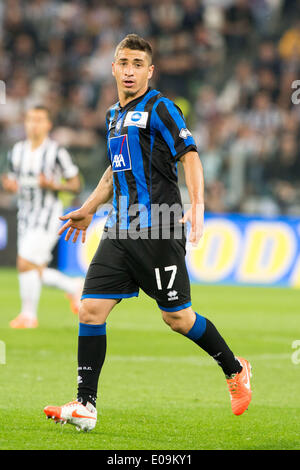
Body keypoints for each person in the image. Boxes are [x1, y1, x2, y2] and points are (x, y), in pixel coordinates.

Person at [44, 35, 252, 432]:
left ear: (149, 71)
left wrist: (198, 205)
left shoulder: (161, 107)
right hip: (119, 229)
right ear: (113, 67)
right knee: (90, 309)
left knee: (176, 318)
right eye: (123, 62)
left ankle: (234, 368)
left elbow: (190, 155)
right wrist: (88, 210)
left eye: (138, 63)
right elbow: (113, 171)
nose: (129, 70)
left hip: (158, 226)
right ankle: (86, 404)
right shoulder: (111, 116)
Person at [2, 105, 83, 328]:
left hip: (48, 216)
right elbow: (13, 183)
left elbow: (76, 185)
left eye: (39, 120)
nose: (34, 124)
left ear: (48, 125)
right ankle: (74, 286)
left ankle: (28, 316)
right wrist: (9, 186)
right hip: (25, 217)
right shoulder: (16, 151)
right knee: (33, 267)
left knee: (24, 262)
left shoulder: (57, 152)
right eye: (30, 119)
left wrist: (53, 184)